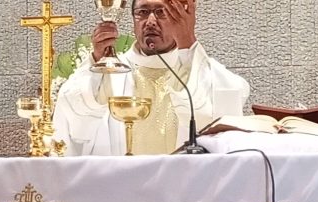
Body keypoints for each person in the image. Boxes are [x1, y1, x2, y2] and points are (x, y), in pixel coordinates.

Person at [53, 0, 250, 156]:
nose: (151, 21)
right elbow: (74, 110)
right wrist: (97, 60)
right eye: (143, 12)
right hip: (121, 186)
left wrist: (188, 42)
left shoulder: (192, 68)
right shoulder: (115, 71)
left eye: (161, 12)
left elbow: (226, 96)